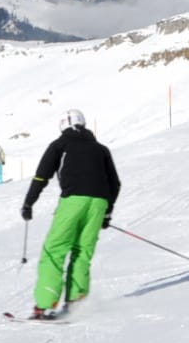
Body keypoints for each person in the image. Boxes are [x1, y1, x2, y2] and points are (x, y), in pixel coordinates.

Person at [20, 109, 121, 318]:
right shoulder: (101, 149)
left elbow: (41, 177)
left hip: (73, 200)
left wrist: (29, 203)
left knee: (54, 250)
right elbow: (115, 183)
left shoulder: (60, 145)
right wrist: (107, 213)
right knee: (82, 251)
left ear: (63, 126)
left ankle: (44, 305)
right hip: (99, 203)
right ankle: (77, 301)